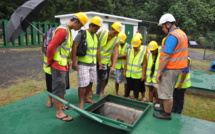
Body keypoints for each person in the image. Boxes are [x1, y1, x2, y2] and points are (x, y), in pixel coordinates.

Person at [47, 12, 88, 121]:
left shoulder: (67, 30)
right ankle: (59, 113)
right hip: (57, 64)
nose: (80, 28)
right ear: (76, 21)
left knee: (61, 88)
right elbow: (51, 47)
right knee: (57, 89)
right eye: (80, 25)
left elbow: (64, 50)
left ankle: (61, 107)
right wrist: (49, 61)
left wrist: (68, 63)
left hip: (62, 64)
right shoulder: (63, 31)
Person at [153, 13, 188, 120]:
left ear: (168, 24)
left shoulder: (172, 36)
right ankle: (164, 109)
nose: (162, 29)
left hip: (170, 68)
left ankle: (166, 113)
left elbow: (166, 56)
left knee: (166, 92)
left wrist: (159, 72)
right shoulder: (181, 33)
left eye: (163, 26)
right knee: (168, 90)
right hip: (177, 68)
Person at [72, 16, 103, 109]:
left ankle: (86, 98)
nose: (98, 29)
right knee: (83, 84)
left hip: (93, 64)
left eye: (99, 28)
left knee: (90, 82)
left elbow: (97, 49)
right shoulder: (82, 34)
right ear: (92, 25)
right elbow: (74, 46)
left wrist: (99, 62)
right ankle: (81, 101)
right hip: (83, 63)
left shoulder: (96, 36)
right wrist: (74, 61)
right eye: (97, 28)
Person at [97, 22, 122, 98]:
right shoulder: (102, 33)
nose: (115, 35)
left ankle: (100, 92)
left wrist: (113, 66)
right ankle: (93, 93)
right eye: (114, 32)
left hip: (105, 61)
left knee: (104, 79)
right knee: (93, 78)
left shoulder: (116, 40)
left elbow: (115, 54)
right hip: (94, 59)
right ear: (111, 29)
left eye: (117, 33)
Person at [145, 41, 160, 105]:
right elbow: (146, 65)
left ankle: (157, 102)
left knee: (157, 91)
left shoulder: (160, 56)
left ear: (156, 49)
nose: (152, 52)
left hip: (156, 77)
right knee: (150, 89)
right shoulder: (148, 55)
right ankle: (150, 101)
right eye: (151, 50)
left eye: (153, 51)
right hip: (149, 77)